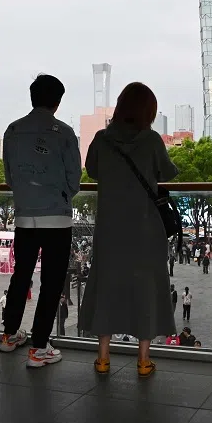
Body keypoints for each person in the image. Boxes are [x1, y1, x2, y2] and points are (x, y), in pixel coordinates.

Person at [78, 82, 178, 378]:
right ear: (149, 110)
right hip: (146, 227)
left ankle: (103, 357)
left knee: (107, 285)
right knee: (146, 286)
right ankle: (143, 360)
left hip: (110, 227)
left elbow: (93, 171)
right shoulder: (151, 140)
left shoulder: (101, 139)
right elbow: (167, 172)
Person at [0, 75, 81, 368]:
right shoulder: (65, 133)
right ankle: (39, 347)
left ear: (32, 97)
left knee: (21, 275)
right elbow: (75, 180)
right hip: (57, 217)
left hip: (24, 215)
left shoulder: (12, 130)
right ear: (57, 101)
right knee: (51, 282)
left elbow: (10, 177)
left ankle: (10, 335)